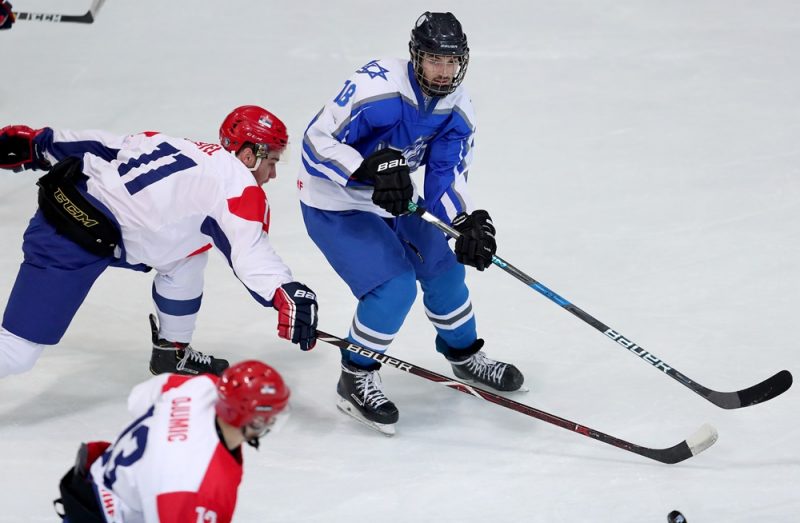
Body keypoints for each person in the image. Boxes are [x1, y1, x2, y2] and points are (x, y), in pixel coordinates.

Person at [298, 11, 524, 435]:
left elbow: (447, 173)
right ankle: (355, 376)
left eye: (452, 61)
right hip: (335, 201)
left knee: (445, 270)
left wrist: (465, 220)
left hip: (396, 199)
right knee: (393, 287)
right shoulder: (375, 87)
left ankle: (465, 357)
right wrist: (367, 168)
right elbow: (314, 144)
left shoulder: (458, 109)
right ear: (415, 58)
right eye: (435, 60)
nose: (444, 71)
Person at [0, 105, 318, 378]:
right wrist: (284, 292)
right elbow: (250, 253)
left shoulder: (178, 145)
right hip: (71, 239)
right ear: (248, 155)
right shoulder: (241, 190)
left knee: (188, 256)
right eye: (272, 162)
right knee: (16, 353)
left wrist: (38, 144)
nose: (273, 174)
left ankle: (171, 352)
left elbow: (100, 145)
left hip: (79, 212)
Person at [54, 359, 290, 522]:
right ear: (255, 421)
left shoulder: (202, 386)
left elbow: (137, 399)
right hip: (105, 514)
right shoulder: (194, 483)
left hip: (95, 481)